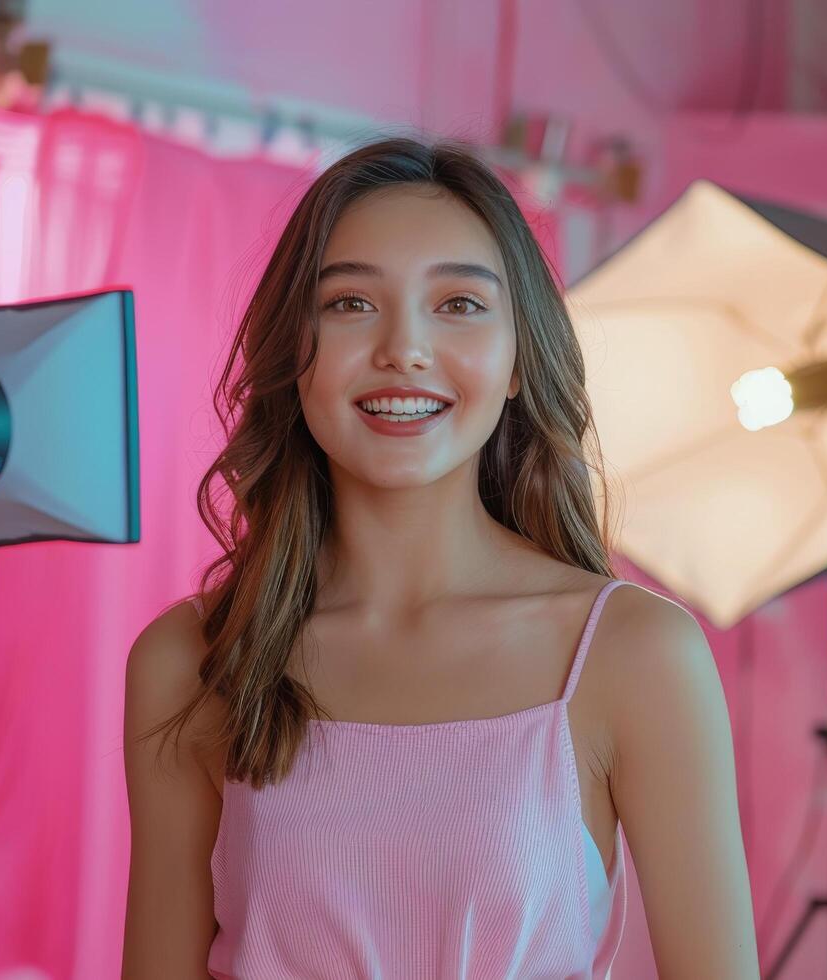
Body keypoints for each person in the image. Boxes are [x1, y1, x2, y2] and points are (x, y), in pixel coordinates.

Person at [121, 135, 759, 979]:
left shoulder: (636, 657)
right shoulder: (190, 661)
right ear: (292, 355)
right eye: (350, 304)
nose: (404, 350)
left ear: (517, 363)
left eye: (459, 304)